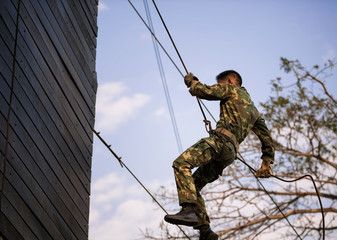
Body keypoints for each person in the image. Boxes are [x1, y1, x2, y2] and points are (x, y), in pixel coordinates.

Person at [164, 70, 275, 240]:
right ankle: (205, 231)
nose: (221, 86)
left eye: (222, 83)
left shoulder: (232, 89)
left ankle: (188, 210)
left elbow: (204, 91)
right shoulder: (254, 111)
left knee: (181, 164)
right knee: (193, 184)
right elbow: (267, 139)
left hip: (219, 142)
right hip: (229, 154)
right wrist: (266, 163)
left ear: (230, 81)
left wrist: (192, 82)